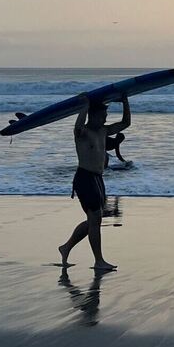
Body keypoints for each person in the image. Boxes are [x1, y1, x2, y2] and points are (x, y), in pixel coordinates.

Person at [58, 95, 130, 270]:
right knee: (95, 219)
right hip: (85, 178)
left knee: (94, 220)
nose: (105, 119)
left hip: (98, 179)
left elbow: (125, 123)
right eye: (102, 116)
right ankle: (99, 261)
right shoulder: (83, 133)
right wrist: (85, 105)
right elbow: (77, 127)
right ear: (93, 115)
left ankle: (66, 247)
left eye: (106, 116)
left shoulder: (103, 131)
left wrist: (125, 101)